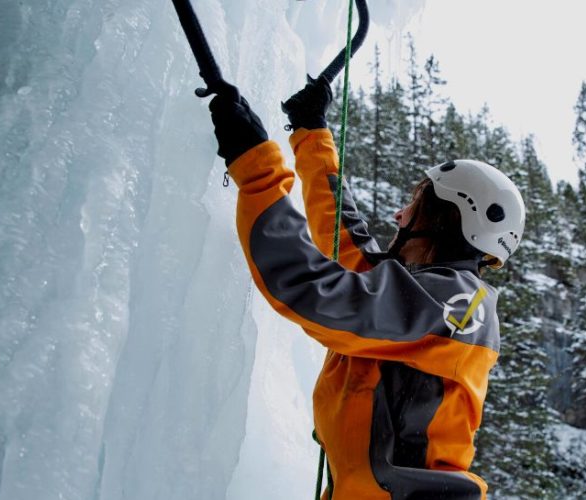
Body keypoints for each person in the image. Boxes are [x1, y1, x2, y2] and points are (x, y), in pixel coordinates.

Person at [207, 75, 525, 499]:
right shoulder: (437, 294)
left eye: (414, 204)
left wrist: (257, 169)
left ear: (445, 218)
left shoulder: (457, 304)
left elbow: (315, 291)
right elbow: (347, 245)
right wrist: (311, 133)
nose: (398, 215)